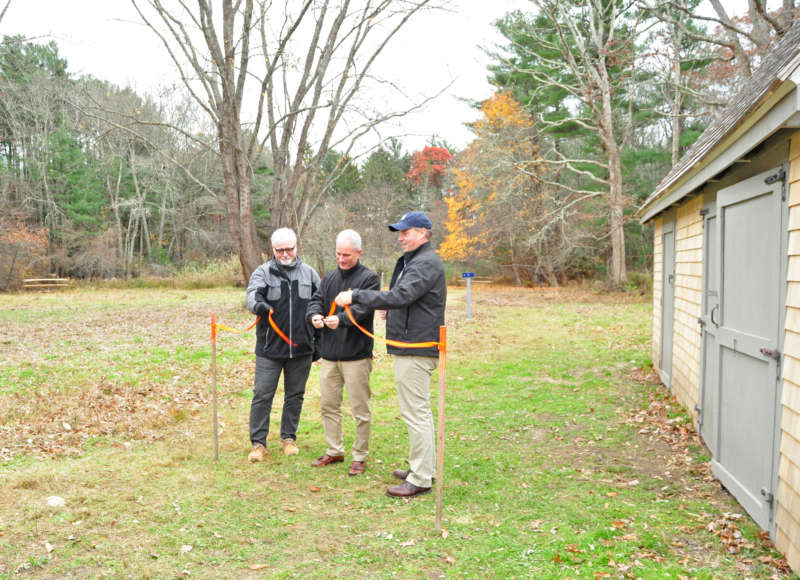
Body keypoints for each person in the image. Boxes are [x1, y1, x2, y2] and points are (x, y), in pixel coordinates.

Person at [335, 211, 446, 498]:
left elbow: (401, 296)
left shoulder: (425, 262)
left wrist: (356, 295)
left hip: (417, 348)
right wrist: (391, 307)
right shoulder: (416, 261)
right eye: (399, 232)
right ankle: (422, 468)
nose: (401, 237)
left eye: (406, 232)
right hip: (412, 345)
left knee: (416, 413)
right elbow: (405, 298)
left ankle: (421, 478)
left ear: (423, 233)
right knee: (416, 412)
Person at [306, 229, 380, 476]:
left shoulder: (369, 279)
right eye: (338, 254)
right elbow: (315, 300)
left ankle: (359, 456)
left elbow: (364, 308)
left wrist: (342, 319)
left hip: (357, 356)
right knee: (328, 405)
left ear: (359, 252)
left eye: (346, 255)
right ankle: (334, 450)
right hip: (329, 355)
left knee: (360, 409)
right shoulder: (328, 278)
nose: (341, 259)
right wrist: (314, 315)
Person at [245, 227, 320, 462]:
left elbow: (321, 302)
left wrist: (318, 339)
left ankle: (289, 439)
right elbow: (251, 296)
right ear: (273, 250)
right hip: (270, 349)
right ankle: (258, 443)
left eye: (289, 249)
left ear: (296, 247)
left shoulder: (309, 274)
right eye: (280, 250)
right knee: (262, 395)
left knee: (295, 395)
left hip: (301, 349)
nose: (285, 254)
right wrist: (260, 306)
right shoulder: (263, 273)